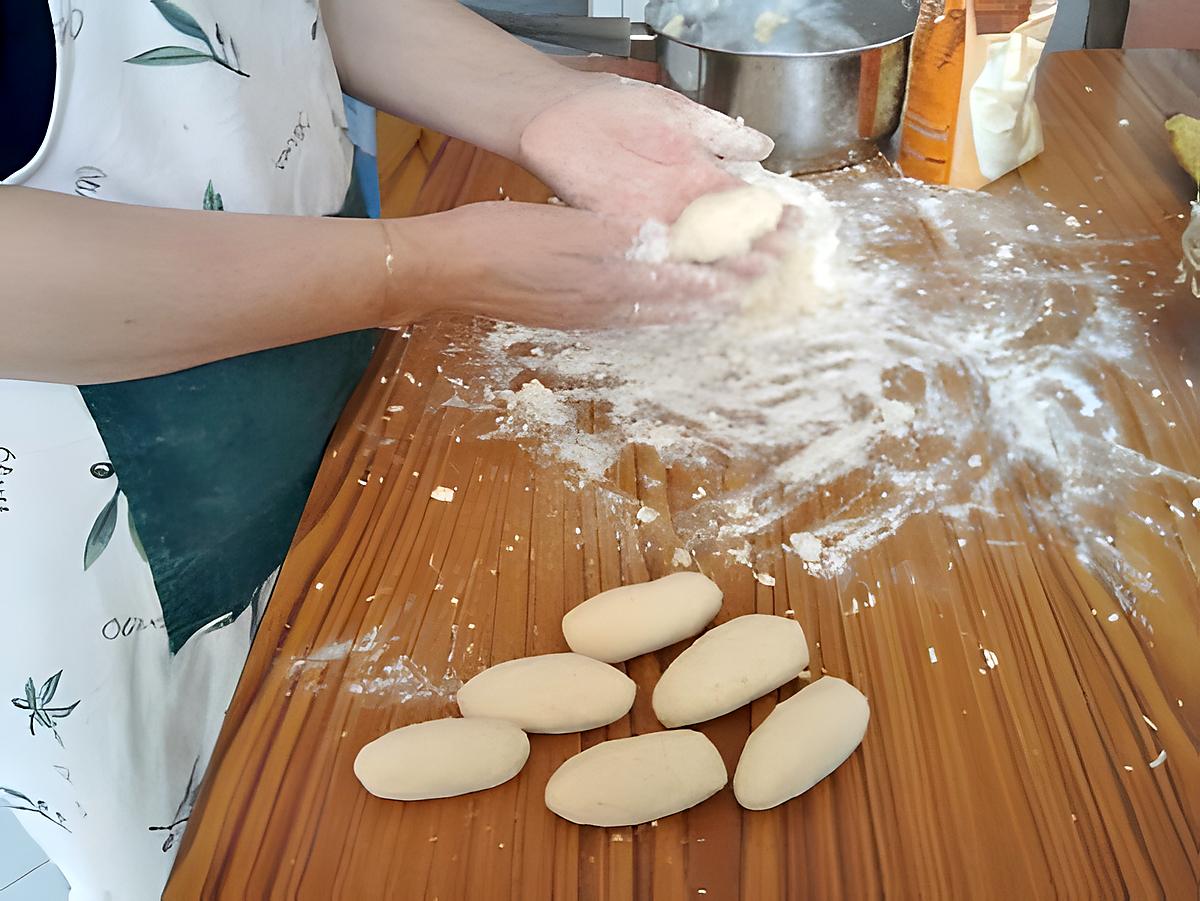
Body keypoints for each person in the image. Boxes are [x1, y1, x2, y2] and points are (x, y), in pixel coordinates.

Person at [0, 0, 773, 897]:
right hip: (97, 482)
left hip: (329, 338)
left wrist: (542, 105)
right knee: (236, 844)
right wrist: (411, 266)